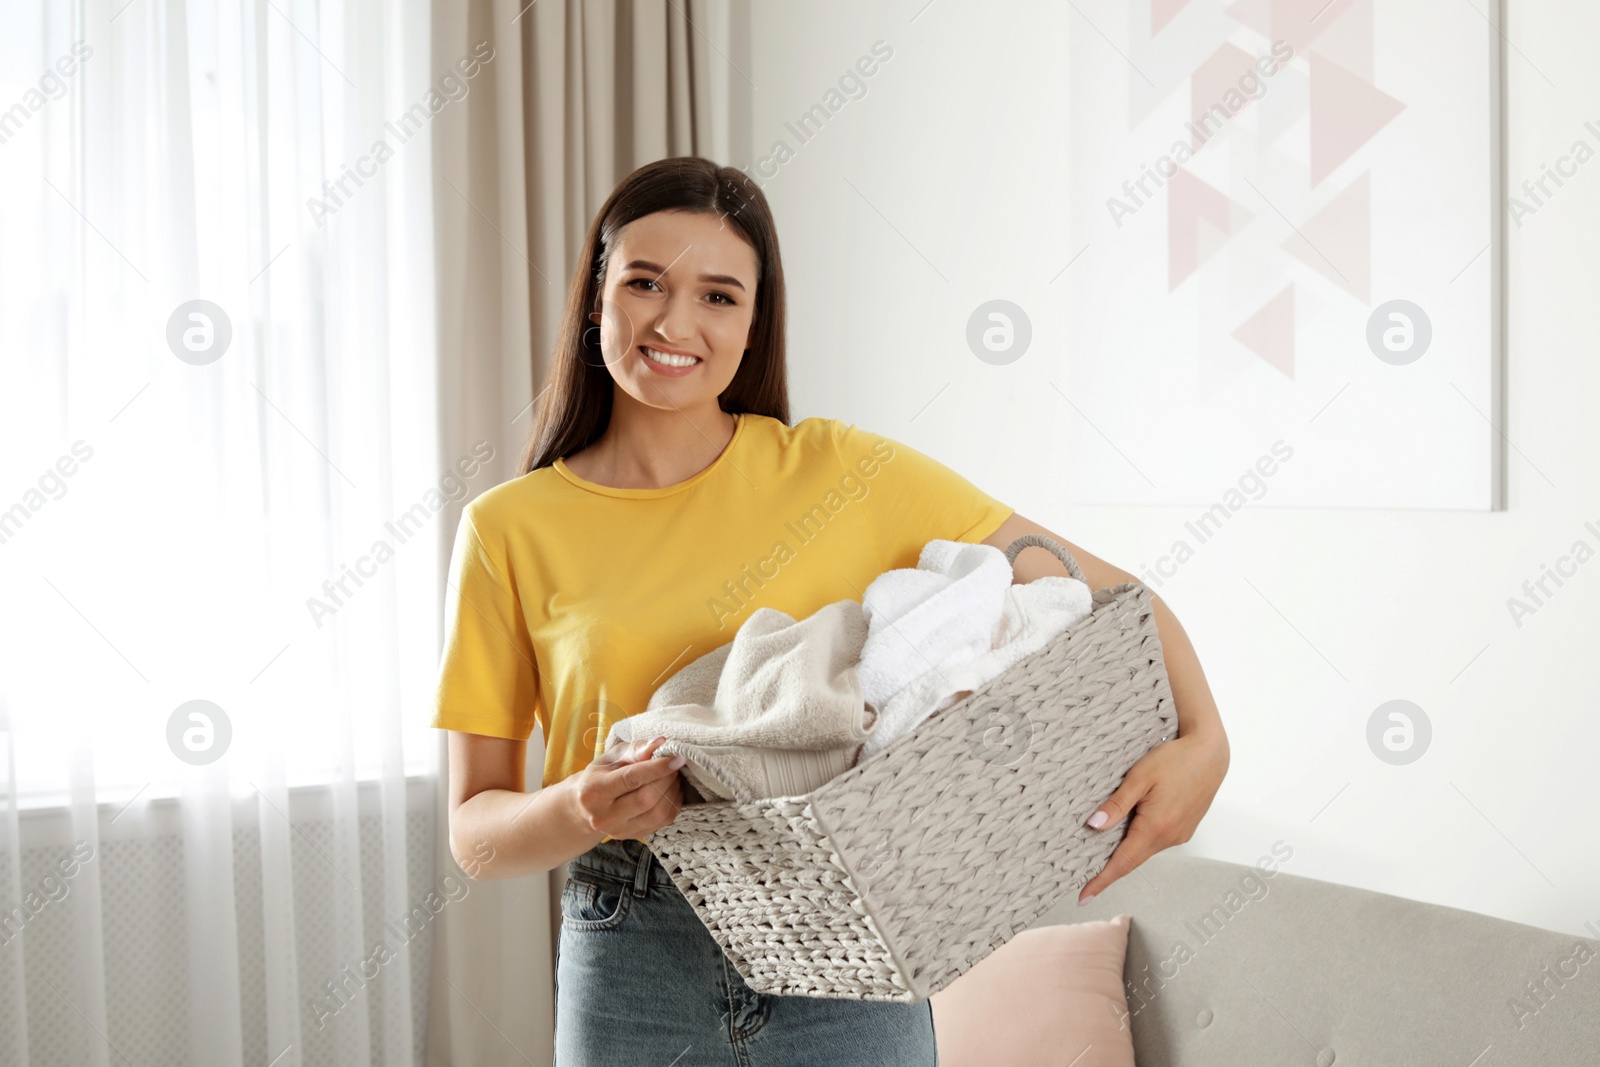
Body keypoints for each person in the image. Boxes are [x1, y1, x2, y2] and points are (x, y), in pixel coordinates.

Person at [431, 156, 1230, 1065]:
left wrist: (1205, 738)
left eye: (719, 296)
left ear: (753, 324)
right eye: (644, 282)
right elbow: (475, 835)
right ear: (595, 298)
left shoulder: (847, 472)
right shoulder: (508, 528)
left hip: (847, 933)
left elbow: (1108, 594)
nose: (674, 321)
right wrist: (583, 806)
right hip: (635, 940)